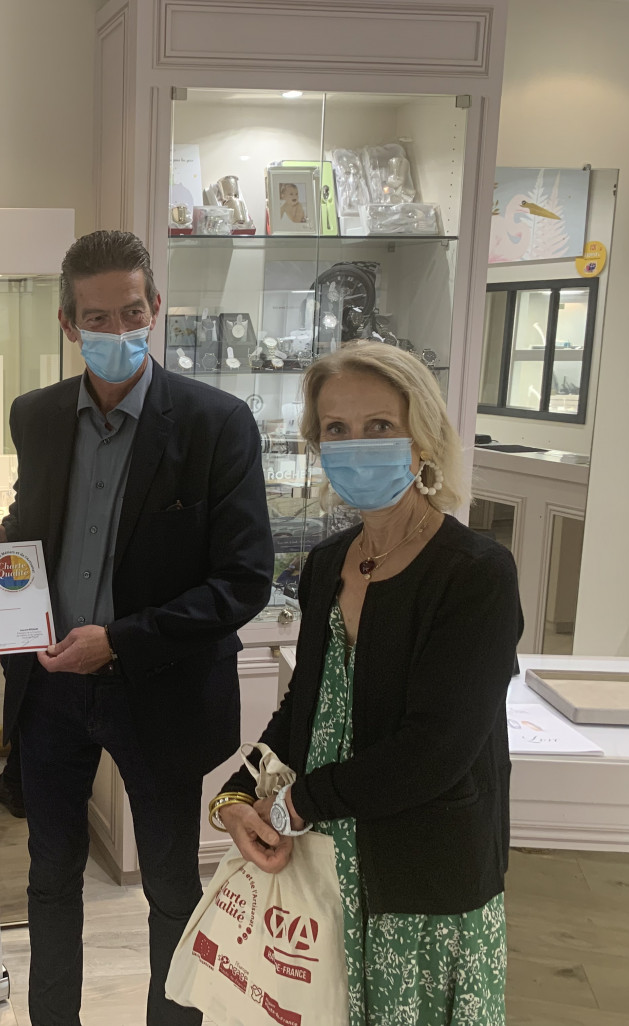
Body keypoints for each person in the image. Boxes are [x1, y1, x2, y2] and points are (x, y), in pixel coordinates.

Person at [0, 230, 275, 1026]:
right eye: (96, 318)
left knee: (171, 884)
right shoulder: (34, 416)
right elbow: (35, 525)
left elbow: (242, 581)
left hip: (160, 691)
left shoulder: (217, 423)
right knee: (49, 878)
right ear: (68, 323)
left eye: (131, 312)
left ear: (155, 309)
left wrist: (122, 639)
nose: (116, 332)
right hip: (51, 691)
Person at [212, 341, 521, 1025]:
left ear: (423, 435)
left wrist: (297, 804)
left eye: (380, 426)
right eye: (337, 429)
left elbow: (435, 751)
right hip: (326, 870)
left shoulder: (474, 572)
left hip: (424, 881)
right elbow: (308, 704)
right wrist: (239, 792)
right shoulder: (327, 564)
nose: (357, 445)